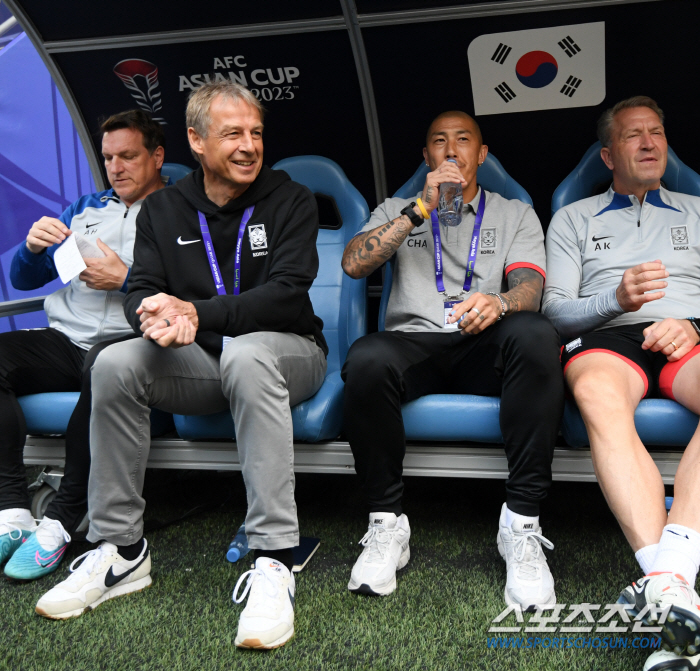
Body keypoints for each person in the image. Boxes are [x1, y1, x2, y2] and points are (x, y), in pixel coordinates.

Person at [35, 82, 327, 651]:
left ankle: (273, 558)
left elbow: (287, 295)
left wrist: (197, 312)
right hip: (204, 359)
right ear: (196, 140)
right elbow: (140, 287)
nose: (249, 146)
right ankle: (121, 549)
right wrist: (155, 317)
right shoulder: (164, 208)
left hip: (289, 351)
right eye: (233, 134)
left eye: (256, 133)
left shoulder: (291, 199)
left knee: (246, 352)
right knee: (115, 361)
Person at [341, 111, 564, 610]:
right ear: (426, 156)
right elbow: (353, 263)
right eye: (439, 141)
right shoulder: (398, 208)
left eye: (463, 140)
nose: (450, 150)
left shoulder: (514, 212)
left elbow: (531, 288)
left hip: (483, 337)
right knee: (367, 357)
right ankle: (386, 523)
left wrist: (499, 303)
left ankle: (521, 524)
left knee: (535, 334)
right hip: (415, 342)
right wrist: (418, 208)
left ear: (481, 155)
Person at [542, 96, 700, 664]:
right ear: (608, 155)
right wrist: (615, 298)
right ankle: (674, 586)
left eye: (657, 131)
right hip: (608, 336)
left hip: (688, 332)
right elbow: (555, 312)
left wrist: (693, 324)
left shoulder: (697, 210)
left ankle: (666, 578)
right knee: (595, 392)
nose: (650, 143)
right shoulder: (573, 217)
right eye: (634, 135)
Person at [0, 109, 166, 581]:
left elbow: (199, 290)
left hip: (135, 345)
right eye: (108, 157)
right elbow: (26, 278)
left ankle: (62, 517)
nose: (116, 168)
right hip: (67, 339)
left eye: (127, 156)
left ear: (157, 156)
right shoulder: (85, 209)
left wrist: (126, 279)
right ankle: (11, 511)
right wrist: (32, 249)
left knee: (103, 364)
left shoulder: (180, 211)